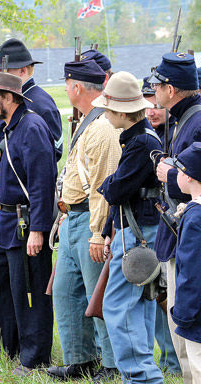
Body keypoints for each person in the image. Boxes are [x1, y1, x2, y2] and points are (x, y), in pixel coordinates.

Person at [0, 72, 56, 375]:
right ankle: (6, 350)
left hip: (25, 224)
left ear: (7, 98)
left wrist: (38, 228)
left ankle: (33, 358)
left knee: (30, 293)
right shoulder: (4, 127)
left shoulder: (32, 127)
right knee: (0, 289)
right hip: (2, 222)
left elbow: (41, 183)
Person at [47, 60, 119, 382]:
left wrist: (97, 232)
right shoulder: (86, 122)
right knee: (65, 292)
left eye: (66, 84)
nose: (65, 89)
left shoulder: (102, 126)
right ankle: (81, 359)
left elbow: (103, 185)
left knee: (97, 297)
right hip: (72, 216)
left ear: (76, 87)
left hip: (90, 219)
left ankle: (113, 363)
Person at [94, 71, 164, 383]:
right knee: (139, 306)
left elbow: (114, 190)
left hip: (138, 234)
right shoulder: (138, 139)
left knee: (119, 307)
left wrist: (109, 184)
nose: (105, 114)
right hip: (136, 230)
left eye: (107, 109)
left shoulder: (140, 142)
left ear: (121, 112)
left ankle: (142, 377)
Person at [150, 52, 201, 384]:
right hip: (179, 230)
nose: (153, 89)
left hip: (191, 229)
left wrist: (168, 173)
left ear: (171, 88)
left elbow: (189, 176)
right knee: (180, 333)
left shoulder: (196, 119)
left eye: (158, 84)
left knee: (191, 332)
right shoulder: (181, 117)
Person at [142, 77, 181, 375]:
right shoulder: (149, 135)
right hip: (153, 225)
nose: (153, 111)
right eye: (148, 106)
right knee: (158, 296)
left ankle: (174, 360)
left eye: (156, 105)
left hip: (169, 224)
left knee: (170, 295)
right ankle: (169, 359)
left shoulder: (179, 130)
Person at [0, 38, 62, 162]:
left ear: (23, 71)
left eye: (4, 71)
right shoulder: (5, 100)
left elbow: (53, 152)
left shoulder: (40, 104)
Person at [168, 142, 201, 383]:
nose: (176, 176)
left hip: (196, 317)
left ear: (189, 177)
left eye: (179, 172)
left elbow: (191, 271)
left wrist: (183, 314)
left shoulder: (195, 218)